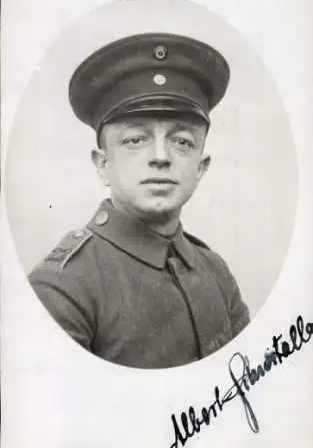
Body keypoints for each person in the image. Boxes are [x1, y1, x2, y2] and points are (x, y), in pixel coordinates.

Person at [29, 33, 250, 369]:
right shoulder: (62, 288)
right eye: (135, 139)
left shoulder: (216, 272)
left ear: (201, 167)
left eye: (182, 141)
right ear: (103, 164)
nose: (160, 157)